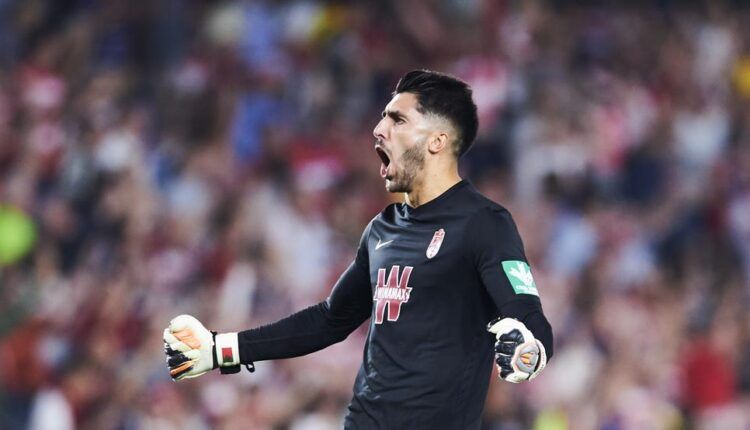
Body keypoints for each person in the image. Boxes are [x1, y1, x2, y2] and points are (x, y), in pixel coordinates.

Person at [163, 70, 554, 429]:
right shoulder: (382, 229)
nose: (379, 130)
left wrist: (529, 351)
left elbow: (529, 318)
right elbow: (329, 320)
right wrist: (220, 348)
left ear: (438, 141)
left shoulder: (483, 223)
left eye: (398, 120)